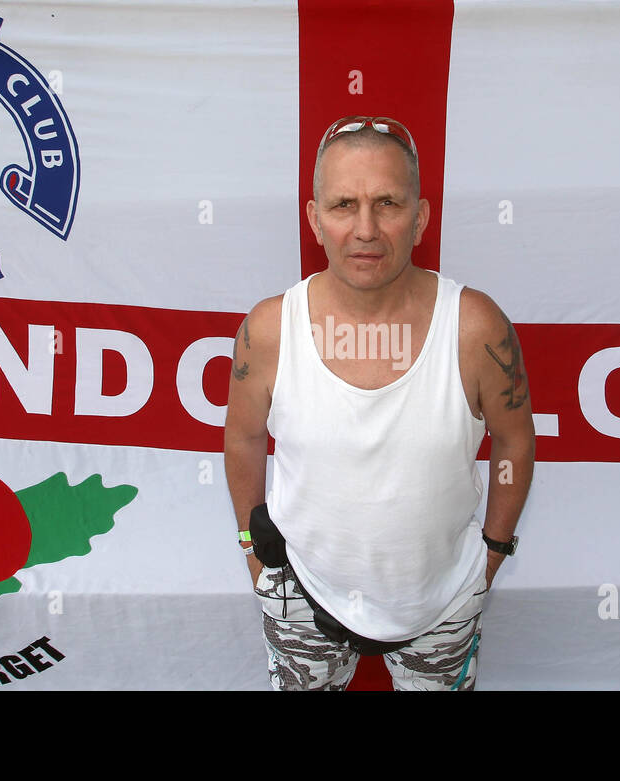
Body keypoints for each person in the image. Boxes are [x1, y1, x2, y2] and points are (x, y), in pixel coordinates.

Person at [223, 116, 535, 690]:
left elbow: (515, 439)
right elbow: (242, 437)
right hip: (299, 592)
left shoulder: (475, 326)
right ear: (315, 219)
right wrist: (253, 550)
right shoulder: (270, 328)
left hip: (443, 600)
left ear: (420, 219)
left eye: (387, 203)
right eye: (344, 204)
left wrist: (491, 555)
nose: (365, 228)